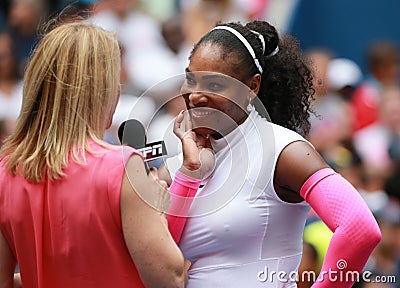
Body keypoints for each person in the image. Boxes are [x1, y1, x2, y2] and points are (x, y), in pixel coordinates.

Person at [161, 20, 382, 287]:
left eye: (215, 85)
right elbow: (162, 256)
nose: (196, 95)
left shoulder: (283, 151)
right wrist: (190, 174)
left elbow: (360, 229)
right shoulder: (185, 162)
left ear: (252, 87)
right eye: (191, 80)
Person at [0, 21, 192, 288]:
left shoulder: (5, 171)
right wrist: (158, 210)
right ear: (102, 92)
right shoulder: (122, 167)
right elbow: (170, 278)